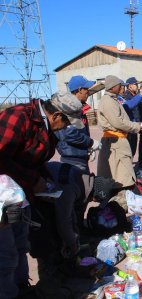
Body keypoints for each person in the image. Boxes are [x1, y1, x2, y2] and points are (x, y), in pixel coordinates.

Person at [0, 92, 82, 299]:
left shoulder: (46, 128)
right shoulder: (18, 117)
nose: (66, 128)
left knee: (20, 245)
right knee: (5, 254)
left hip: (18, 195)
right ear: (56, 116)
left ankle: (21, 289)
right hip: (3, 196)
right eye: (66, 123)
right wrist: (33, 180)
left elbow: (32, 160)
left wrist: (45, 182)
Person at [97, 75, 142, 189]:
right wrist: (136, 126)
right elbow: (118, 122)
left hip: (117, 140)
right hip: (115, 142)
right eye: (119, 85)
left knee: (119, 174)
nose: (121, 88)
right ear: (112, 87)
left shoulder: (113, 99)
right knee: (122, 176)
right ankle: (118, 202)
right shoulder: (108, 101)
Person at [55, 75, 101, 173]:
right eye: (86, 89)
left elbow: (80, 132)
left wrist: (87, 147)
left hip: (79, 156)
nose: (88, 92)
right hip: (72, 160)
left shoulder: (77, 108)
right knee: (79, 186)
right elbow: (69, 134)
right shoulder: (67, 108)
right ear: (80, 90)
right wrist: (91, 143)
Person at [124, 76, 142, 156]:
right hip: (129, 126)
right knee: (130, 149)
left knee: (133, 147)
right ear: (130, 86)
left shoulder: (135, 95)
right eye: (136, 84)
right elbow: (130, 107)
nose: (137, 86)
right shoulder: (127, 96)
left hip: (135, 125)